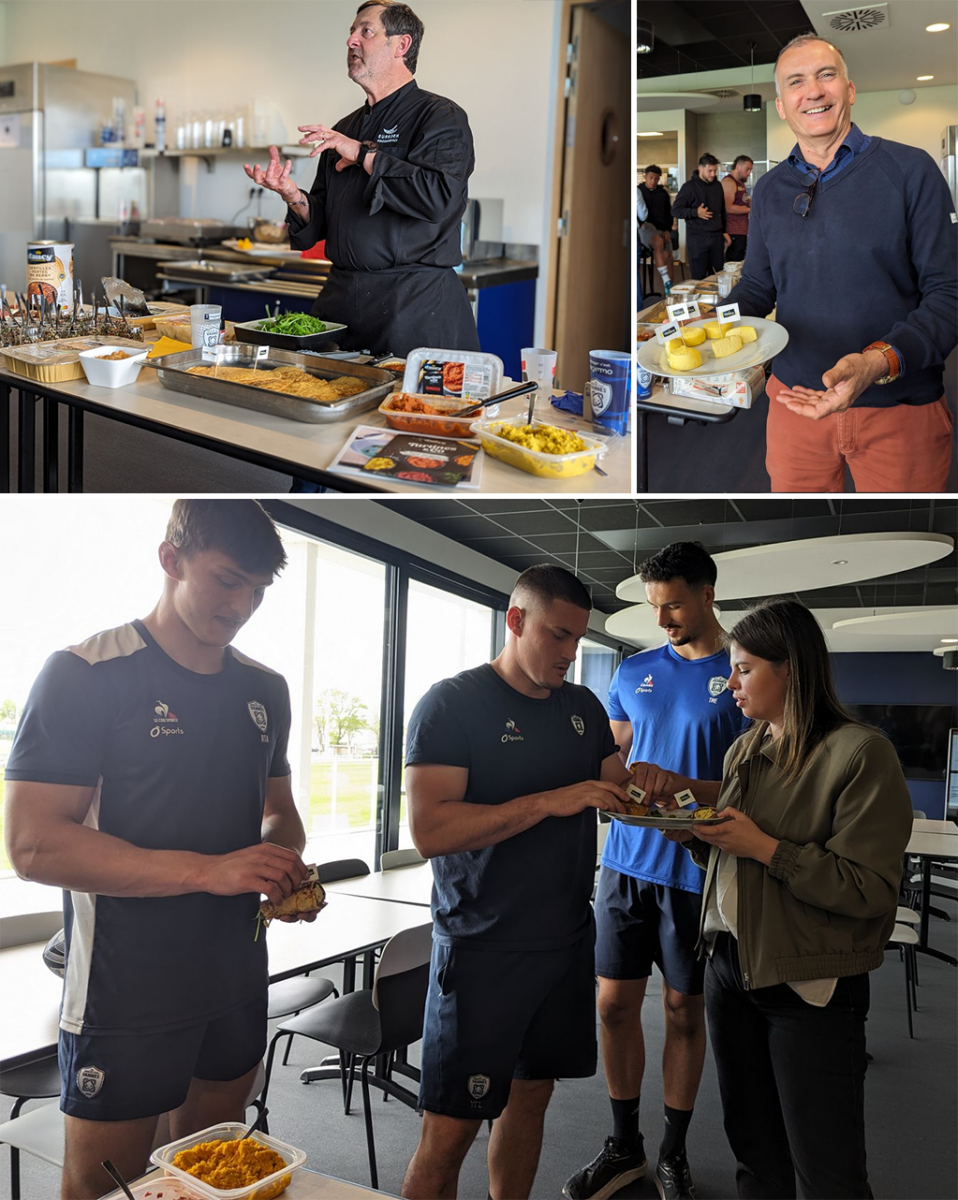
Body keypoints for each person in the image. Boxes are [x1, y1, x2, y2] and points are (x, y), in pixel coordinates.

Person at [4, 500, 313, 1200]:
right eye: (227, 581)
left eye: (258, 590)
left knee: (210, 1180)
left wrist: (277, 861)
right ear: (171, 559)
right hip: (126, 985)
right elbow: (33, 844)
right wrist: (211, 871)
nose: (242, 607)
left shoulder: (265, 689)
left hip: (235, 972)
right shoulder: (85, 673)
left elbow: (280, 811)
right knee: (106, 1189)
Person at [667, 598, 912, 1199]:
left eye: (744, 669)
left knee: (827, 1170)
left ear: (791, 670)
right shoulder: (743, 749)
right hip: (729, 968)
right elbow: (735, 862)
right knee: (754, 1154)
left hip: (809, 981)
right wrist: (698, 839)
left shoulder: (861, 753)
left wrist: (766, 848)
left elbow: (869, 888)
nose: (730, 685)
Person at [400, 565, 631, 1200]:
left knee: (531, 1101)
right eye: (558, 635)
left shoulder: (583, 706)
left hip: (564, 943)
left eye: (578, 638)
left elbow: (619, 787)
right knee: (449, 1132)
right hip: (483, 950)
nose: (569, 653)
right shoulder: (451, 704)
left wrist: (657, 790)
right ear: (516, 620)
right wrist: (551, 802)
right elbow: (430, 830)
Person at [564, 542, 748, 1200]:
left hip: (695, 871)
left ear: (707, 595)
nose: (663, 619)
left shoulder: (742, 671)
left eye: (673, 605)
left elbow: (753, 784)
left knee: (682, 1010)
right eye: (654, 607)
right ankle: (624, 1146)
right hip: (624, 864)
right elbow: (616, 757)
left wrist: (681, 789)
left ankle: (673, 1151)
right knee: (612, 1005)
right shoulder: (633, 669)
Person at [726, 33, 958, 493]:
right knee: (799, 524)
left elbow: (948, 293)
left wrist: (875, 363)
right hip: (794, 401)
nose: (813, 91)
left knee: (899, 530)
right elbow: (756, 286)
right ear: (781, 105)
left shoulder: (911, 171)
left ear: (849, 90)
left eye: (826, 75)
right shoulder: (770, 189)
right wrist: (711, 324)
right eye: (796, 81)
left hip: (898, 405)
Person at [244, 1, 479, 358]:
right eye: (351, 32)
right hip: (341, 305)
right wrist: (293, 196)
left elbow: (437, 198)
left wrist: (362, 154)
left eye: (365, 31)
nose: (351, 41)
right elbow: (321, 223)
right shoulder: (345, 128)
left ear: (401, 45)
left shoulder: (440, 116)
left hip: (413, 309)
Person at [671, 154, 731, 281]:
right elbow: (675, 210)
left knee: (719, 276)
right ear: (700, 169)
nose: (713, 174)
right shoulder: (689, 187)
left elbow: (722, 210)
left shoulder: (717, 186)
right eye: (710, 171)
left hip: (716, 238)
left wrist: (724, 231)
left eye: (715, 171)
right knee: (699, 278)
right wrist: (695, 213)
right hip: (697, 239)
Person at [638, 165, 675, 293]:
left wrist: (667, 230)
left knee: (668, 256)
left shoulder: (663, 193)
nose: (653, 181)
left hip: (662, 229)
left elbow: (668, 214)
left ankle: (670, 290)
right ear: (645, 177)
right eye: (651, 178)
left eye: (656, 178)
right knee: (658, 243)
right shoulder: (639, 191)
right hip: (646, 229)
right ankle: (666, 281)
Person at [721, 155, 752, 262]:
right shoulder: (729, 182)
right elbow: (728, 208)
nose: (749, 173)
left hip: (742, 231)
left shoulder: (741, 183)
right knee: (733, 263)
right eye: (747, 169)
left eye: (750, 170)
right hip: (733, 231)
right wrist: (751, 210)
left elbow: (743, 201)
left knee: (740, 261)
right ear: (738, 167)